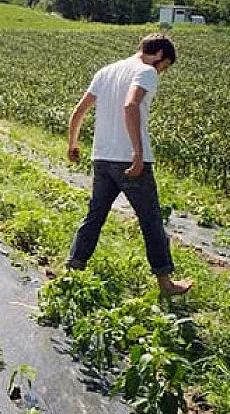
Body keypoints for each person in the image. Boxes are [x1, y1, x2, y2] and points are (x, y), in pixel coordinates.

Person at [66, 33, 193, 296]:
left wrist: (73, 143)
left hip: (101, 157)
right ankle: (166, 283)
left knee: (94, 216)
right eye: (165, 66)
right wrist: (137, 153)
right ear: (159, 55)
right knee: (150, 219)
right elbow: (130, 105)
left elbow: (79, 110)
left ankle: (72, 269)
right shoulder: (146, 71)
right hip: (130, 159)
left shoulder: (107, 71)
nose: (162, 71)